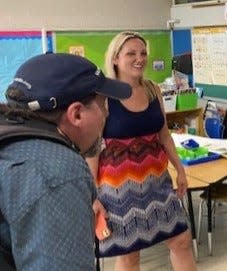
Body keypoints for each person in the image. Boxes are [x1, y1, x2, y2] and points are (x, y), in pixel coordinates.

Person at [0, 53, 132, 270]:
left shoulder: (10, 137)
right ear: (76, 114)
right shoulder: (59, 172)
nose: (107, 113)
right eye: (102, 104)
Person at [86, 31, 197, 271]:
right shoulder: (103, 97)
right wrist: (92, 196)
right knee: (128, 254)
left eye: (143, 53)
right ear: (115, 58)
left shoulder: (152, 89)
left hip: (159, 181)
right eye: (131, 53)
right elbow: (92, 149)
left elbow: (164, 135)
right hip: (118, 189)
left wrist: (180, 169)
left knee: (181, 240)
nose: (140, 58)